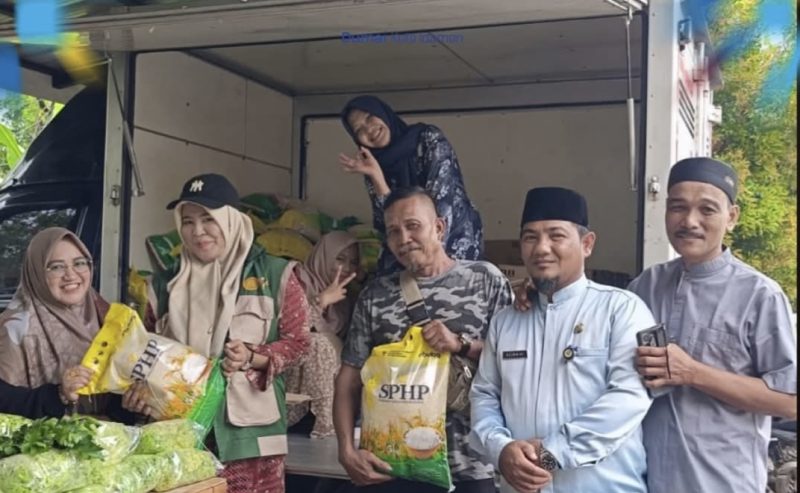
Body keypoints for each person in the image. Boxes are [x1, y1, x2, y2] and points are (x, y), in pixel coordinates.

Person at [628, 157, 797, 493]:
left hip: (722, 483)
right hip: (645, 479)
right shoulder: (645, 286)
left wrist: (693, 373)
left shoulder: (760, 295)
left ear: (731, 217)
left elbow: (789, 400)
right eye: (678, 207)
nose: (689, 221)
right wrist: (533, 294)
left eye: (707, 209)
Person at [469, 187, 655, 493]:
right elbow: (484, 395)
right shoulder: (505, 322)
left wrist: (551, 453)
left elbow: (628, 398)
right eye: (530, 237)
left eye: (556, 235)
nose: (542, 248)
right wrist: (501, 450)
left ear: (587, 244)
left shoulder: (621, 310)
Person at [333, 187, 511, 493]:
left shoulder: (485, 281)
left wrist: (461, 344)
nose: (403, 239)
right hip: (390, 466)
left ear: (439, 227)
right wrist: (346, 450)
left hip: (469, 467)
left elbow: (514, 363)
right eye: (393, 231)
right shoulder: (375, 296)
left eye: (413, 226)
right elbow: (348, 380)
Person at [141, 173, 311, 493]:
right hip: (181, 435)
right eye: (188, 222)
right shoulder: (164, 285)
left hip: (250, 440)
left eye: (208, 219)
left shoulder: (275, 274)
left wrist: (254, 356)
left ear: (232, 219)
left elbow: (300, 344)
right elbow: (146, 351)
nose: (198, 231)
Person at [0, 227, 135, 421]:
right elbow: (4, 401)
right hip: (47, 437)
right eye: (56, 267)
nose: (71, 275)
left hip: (110, 435)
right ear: (37, 272)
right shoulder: (14, 327)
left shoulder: (106, 313)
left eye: (79, 263)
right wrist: (58, 394)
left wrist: (132, 401)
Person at [339, 95, 483, 274]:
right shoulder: (372, 164)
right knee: (383, 280)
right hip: (407, 243)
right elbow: (384, 225)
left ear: (383, 114)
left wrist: (418, 258)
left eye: (369, 118)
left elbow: (443, 204)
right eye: (359, 129)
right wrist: (376, 176)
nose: (369, 129)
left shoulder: (428, 138)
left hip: (450, 235)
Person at [285, 230, 361, 438]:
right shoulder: (296, 280)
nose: (347, 268)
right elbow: (289, 331)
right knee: (319, 343)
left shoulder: (347, 297)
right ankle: (328, 425)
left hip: (328, 382)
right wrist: (321, 301)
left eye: (353, 262)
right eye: (340, 259)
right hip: (289, 371)